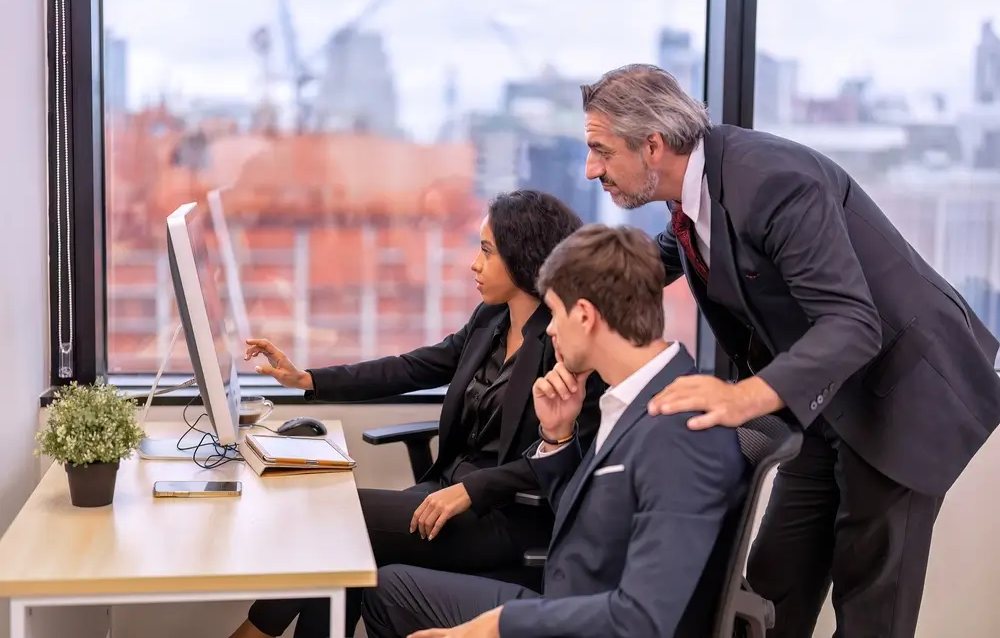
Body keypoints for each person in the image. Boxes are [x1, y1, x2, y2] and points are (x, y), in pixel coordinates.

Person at [577, 63, 1000, 638]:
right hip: (825, 398)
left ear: (652, 145)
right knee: (774, 588)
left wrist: (742, 397)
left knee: (870, 609)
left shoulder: (771, 181)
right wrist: (571, 297)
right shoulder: (699, 192)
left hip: (901, 394)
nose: (591, 169)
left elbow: (853, 323)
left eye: (600, 151)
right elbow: (668, 255)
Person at [226, 190, 605, 638]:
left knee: (335, 518)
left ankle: (252, 633)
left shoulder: (567, 344)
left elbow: (570, 455)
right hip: (444, 490)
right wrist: (308, 379)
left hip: (504, 514)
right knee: (346, 548)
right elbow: (410, 368)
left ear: (523, 257)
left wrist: (473, 489)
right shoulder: (490, 320)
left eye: (487, 252)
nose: (474, 264)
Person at [359, 224, 749, 638]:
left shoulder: (682, 430)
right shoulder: (631, 396)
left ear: (584, 315)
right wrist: (557, 437)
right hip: (570, 596)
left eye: (555, 313)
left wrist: (499, 624)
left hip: (590, 618)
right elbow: (593, 517)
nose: (549, 329)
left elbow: (644, 618)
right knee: (387, 590)